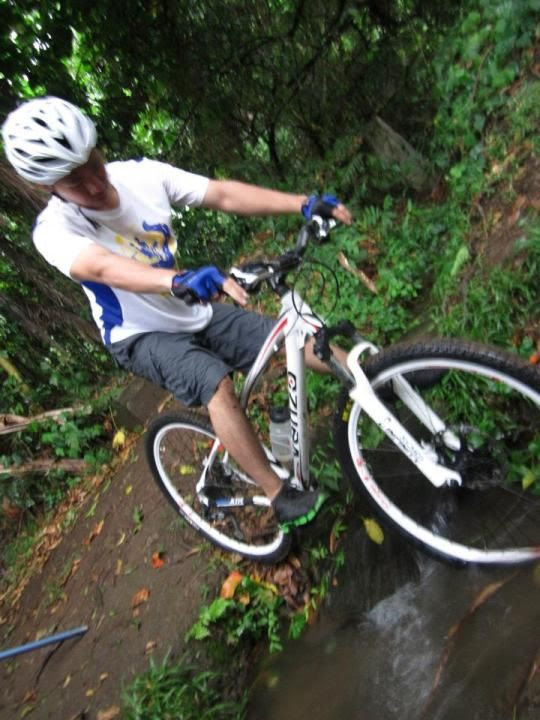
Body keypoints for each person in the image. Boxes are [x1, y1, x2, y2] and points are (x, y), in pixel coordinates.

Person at [2, 96, 353, 529]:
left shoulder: (141, 176)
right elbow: (101, 266)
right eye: (74, 181)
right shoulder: (54, 231)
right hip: (138, 335)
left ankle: (374, 382)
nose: (93, 184)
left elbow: (222, 194)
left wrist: (301, 202)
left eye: (92, 163)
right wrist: (176, 280)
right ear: (51, 188)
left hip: (188, 309)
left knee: (291, 339)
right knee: (215, 383)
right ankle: (278, 493)